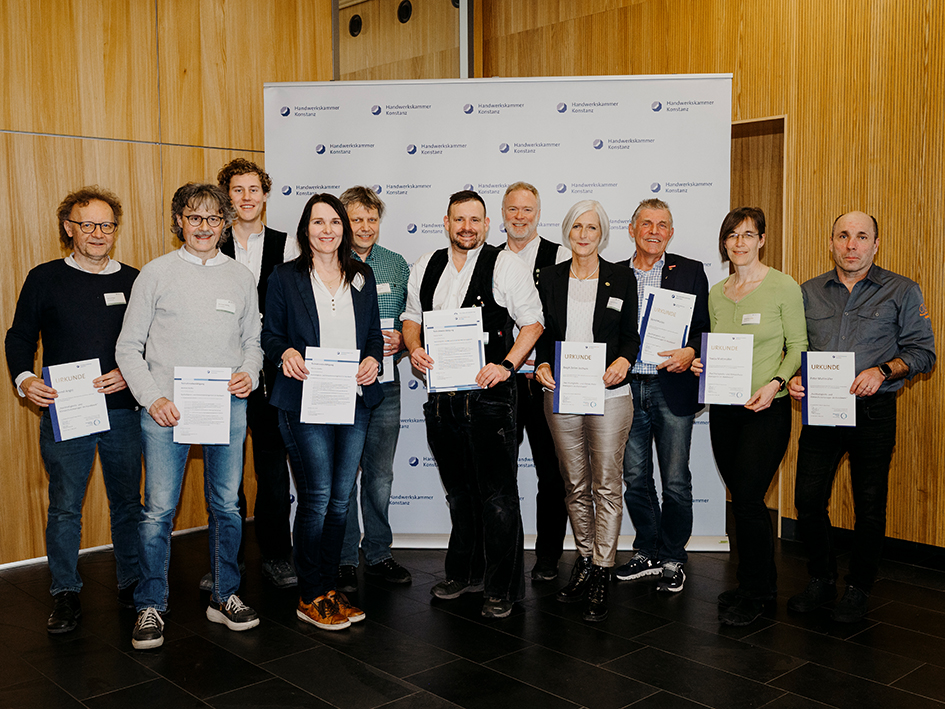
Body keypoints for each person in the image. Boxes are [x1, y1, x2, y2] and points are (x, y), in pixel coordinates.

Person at [116, 182, 263, 650]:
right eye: (195, 218)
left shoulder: (240, 277)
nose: (204, 227)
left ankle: (225, 596)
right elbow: (127, 347)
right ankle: (151, 604)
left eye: (213, 219)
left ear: (225, 225)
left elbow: (252, 343)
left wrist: (249, 373)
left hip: (226, 406)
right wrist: (151, 397)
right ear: (179, 219)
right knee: (158, 511)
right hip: (166, 412)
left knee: (227, 507)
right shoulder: (155, 274)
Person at [5, 186, 142, 634]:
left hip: (123, 409)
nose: (98, 233)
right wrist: (26, 380)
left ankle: (132, 583)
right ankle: (65, 592)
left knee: (127, 503)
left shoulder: (135, 280)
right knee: (65, 506)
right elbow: (20, 337)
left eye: (106, 225)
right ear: (69, 228)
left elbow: (153, 343)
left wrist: (128, 372)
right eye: (88, 225)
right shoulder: (44, 278)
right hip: (67, 409)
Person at [786, 211, 935, 623]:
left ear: (875, 244)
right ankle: (821, 578)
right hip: (821, 411)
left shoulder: (902, 290)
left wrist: (883, 370)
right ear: (831, 242)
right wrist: (795, 378)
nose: (852, 245)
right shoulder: (809, 291)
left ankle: (859, 587)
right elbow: (795, 346)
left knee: (869, 505)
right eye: (843, 236)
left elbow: (924, 352)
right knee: (808, 500)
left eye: (861, 237)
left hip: (873, 411)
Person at [402, 189, 543, 619]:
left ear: (486, 224)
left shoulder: (506, 265)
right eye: (459, 220)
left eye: (475, 220)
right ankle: (465, 573)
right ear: (446, 222)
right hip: (442, 401)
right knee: (460, 494)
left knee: (497, 497)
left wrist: (506, 364)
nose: (467, 227)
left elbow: (533, 323)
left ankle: (501, 587)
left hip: (490, 400)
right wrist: (413, 348)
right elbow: (411, 318)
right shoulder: (425, 266)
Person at [261, 193, 383, 631]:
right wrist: (285, 352)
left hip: (353, 399)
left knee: (340, 499)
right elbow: (270, 336)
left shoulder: (363, 276)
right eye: (318, 222)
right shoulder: (283, 277)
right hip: (304, 399)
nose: (328, 230)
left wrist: (374, 359)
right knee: (316, 498)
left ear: (344, 229)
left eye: (335, 222)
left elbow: (373, 334)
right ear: (305, 229)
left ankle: (330, 589)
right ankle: (310, 594)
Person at [691, 206, 807, 627]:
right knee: (739, 500)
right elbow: (714, 346)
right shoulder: (718, 293)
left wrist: (776, 383)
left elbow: (797, 346)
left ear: (761, 240)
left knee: (750, 499)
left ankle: (760, 594)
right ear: (724, 243)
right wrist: (701, 364)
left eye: (747, 234)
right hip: (724, 409)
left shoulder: (782, 286)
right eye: (731, 235)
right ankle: (749, 583)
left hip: (766, 409)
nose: (739, 242)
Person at [195, 158, 301, 591]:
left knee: (274, 473)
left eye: (253, 189)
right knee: (227, 476)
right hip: (224, 375)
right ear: (226, 196)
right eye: (237, 190)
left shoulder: (288, 243)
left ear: (265, 193)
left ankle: (276, 556)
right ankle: (227, 561)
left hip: (273, 375)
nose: (246, 198)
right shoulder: (209, 243)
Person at [534, 200, 639, 622]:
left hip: (610, 395)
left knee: (607, 485)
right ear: (566, 231)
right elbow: (540, 331)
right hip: (562, 392)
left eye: (591, 227)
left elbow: (632, 335)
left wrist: (624, 362)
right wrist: (540, 362)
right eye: (576, 226)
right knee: (574, 483)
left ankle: (602, 569)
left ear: (602, 234)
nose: (583, 234)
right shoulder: (549, 277)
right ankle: (583, 558)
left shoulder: (622, 277)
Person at [614, 198, 709, 594]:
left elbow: (704, 326)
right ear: (632, 229)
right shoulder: (614, 274)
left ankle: (673, 555)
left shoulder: (690, 271)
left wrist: (693, 351)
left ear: (671, 232)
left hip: (672, 385)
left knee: (675, 479)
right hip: (627, 388)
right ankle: (647, 549)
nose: (654, 231)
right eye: (647, 223)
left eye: (663, 225)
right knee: (635, 478)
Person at [337, 186, 412, 592]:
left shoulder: (397, 264)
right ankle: (346, 558)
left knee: (380, 476)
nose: (365, 227)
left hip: (385, 385)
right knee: (344, 476)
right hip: (341, 385)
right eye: (356, 220)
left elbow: (409, 316)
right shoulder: (327, 263)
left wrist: (401, 336)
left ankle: (379, 552)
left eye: (371, 219)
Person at [500, 181, 571, 582]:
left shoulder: (559, 257)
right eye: (513, 209)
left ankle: (547, 557)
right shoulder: (487, 258)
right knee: (501, 475)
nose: (520, 217)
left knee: (551, 473)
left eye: (527, 210)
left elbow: (565, 321)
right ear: (503, 215)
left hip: (544, 382)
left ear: (538, 214)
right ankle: (505, 556)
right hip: (500, 384)